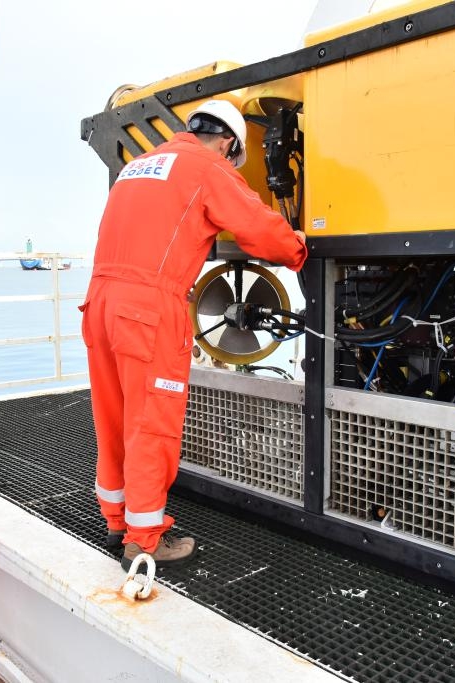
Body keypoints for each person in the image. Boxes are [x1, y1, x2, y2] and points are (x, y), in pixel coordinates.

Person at [80, 99, 307, 571]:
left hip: (99, 300)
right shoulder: (207, 166)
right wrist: (296, 246)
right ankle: (144, 541)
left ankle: (118, 519)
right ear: (227, 141)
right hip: (147, 309)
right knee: (151, 425)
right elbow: (259, 230)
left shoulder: (138, 166)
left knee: (113, 417)